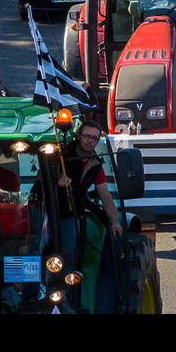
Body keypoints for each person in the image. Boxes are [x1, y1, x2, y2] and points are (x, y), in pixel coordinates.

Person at [55, 120, 123, 288]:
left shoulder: (96, 164)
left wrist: (115, 222)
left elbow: (105, 195)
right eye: (86, 136)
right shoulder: (60, 154)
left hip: (70, 212)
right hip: (47, 209)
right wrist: (57, 179)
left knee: (69, 250)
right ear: (78, 136)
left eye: (94, 138)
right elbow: (45, 175)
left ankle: (64, 292)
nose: (89, 141)